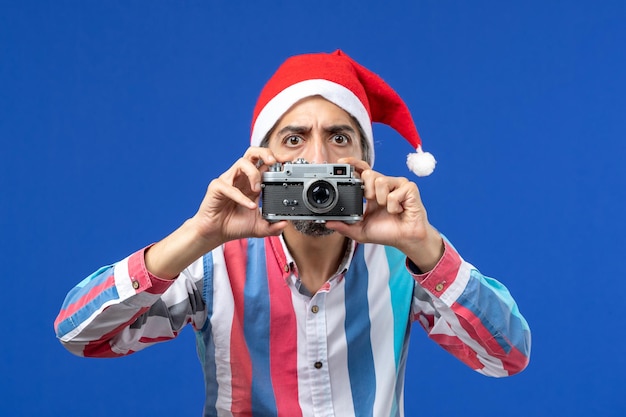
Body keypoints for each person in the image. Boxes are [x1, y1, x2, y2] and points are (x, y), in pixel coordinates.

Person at [55, 50, 531, 416]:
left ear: (366, 164)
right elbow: (80, 334)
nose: (317, 158)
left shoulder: (403, 262)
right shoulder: (214, 261)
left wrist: (423, 246)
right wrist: (198, 235)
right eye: (294, 138)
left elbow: (506, 355)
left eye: (339, 138)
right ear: (261, 161)